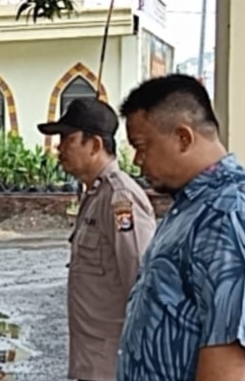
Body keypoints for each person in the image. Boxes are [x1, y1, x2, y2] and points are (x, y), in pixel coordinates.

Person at [116, 74, 245, 381]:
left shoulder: (235, 213)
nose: (137, 161)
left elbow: (227, 359)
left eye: (142, 147)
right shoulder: (193, 205)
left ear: (183, 137)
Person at [38, 98, 156, 381]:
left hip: (113, 365)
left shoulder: (119, 198)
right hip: (92, 361)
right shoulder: (95, 194)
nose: (59, 148)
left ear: (94, 145)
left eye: (68, 139)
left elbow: (140, 280)